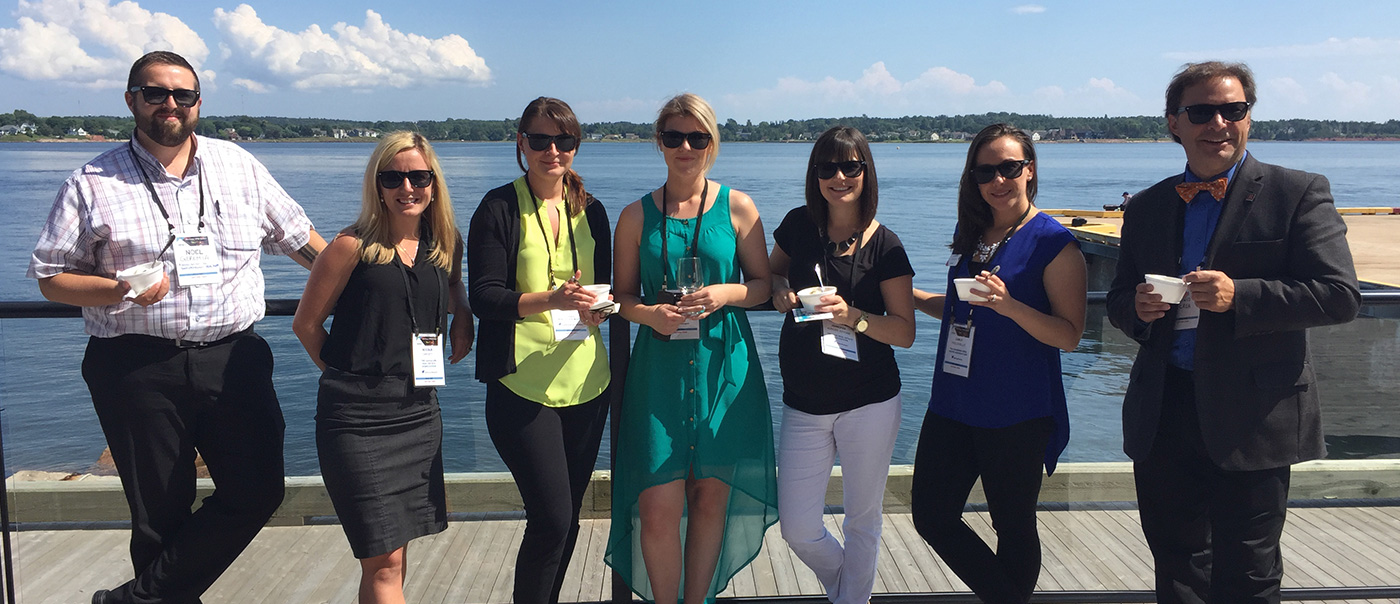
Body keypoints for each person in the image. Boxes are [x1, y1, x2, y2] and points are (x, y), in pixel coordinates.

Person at [27, 51, 327, 604]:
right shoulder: (91, 181)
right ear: (131, 100)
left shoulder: (238, 166)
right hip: (136, 365)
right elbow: (50, 278)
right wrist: (117, 288)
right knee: (159, 516)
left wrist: (363, 286)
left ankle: (131, 602)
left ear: (198, 103)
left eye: (182, 94)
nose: (170, 104)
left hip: (233, 359)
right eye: (154, 92)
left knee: (258, 491)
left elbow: (302, 242)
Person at [1106, 61, 1360, 604]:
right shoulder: (1147, 207)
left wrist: (1239, 296)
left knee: (1248, 574)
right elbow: (1117, 302)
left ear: (1249, 117)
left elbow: (1339, 295)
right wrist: (1139, 308)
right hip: (1164, 410)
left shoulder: (1297, 192)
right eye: (1202, 111)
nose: (1218, 122)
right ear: (1174, 122)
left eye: (1233, 110)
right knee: (1175, 566)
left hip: (1254, 415)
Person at [605, 93, 777, 604]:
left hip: (724, 368)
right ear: (658, 142)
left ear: (711, 144)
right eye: (674, 136)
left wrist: (726, 293)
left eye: (697, 137)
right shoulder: (635, 216)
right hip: (658, 371)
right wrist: (649, 314)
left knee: (709, 503)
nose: (686, 147)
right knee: (657, 511)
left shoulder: (739, 206)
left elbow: (763, 285)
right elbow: (622, 297)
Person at [910, 123, 1086, 604]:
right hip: (953, 401)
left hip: (1017, 409)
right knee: (931, 515)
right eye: (985, 171)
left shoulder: (1056, 243)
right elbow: (956, 308)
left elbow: (1069, 336)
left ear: (1029, 170)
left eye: (1009, 168)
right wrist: (899, 296)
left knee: (1013, 526)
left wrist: (1009, 306)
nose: (998, 180)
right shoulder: (974, 235)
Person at [292, 132, 471, 604]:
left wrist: (463, 318)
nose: (406, 187)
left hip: (418, 410)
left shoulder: (444, 241)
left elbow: (453, 287)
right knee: (383, 557)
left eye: (418, 177)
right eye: (393, 177)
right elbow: (307, 325)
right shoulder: (351, 247)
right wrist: (349, 375)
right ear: (377, 184)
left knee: (398, 550)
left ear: (433, 182)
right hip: (357, 418)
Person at [467, 97, 612, 604]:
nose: (552, 150)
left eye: (564, 140)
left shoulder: (592, 210)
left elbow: (604, 287)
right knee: (550, 517)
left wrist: (601, 309)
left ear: (576, 145)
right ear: (520, 144)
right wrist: (549, 300)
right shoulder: (498, 207)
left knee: (567, 518)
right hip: (521, 386)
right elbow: (482, 296)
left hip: (588, 384)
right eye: (540, 140)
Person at [769, 126, 915, 604]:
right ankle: (843, 586)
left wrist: (853, 317)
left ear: (866, 173)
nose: (838, 176)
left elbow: (905, 331)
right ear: (815, 175)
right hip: (803, 402)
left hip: (869, 401)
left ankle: (851, 600)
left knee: (862, 520)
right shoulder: (797, 225)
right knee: (798, 527)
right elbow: (770, 272)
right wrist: (777, 292)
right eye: (827, 167)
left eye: (850, 166)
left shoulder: (886, 246)